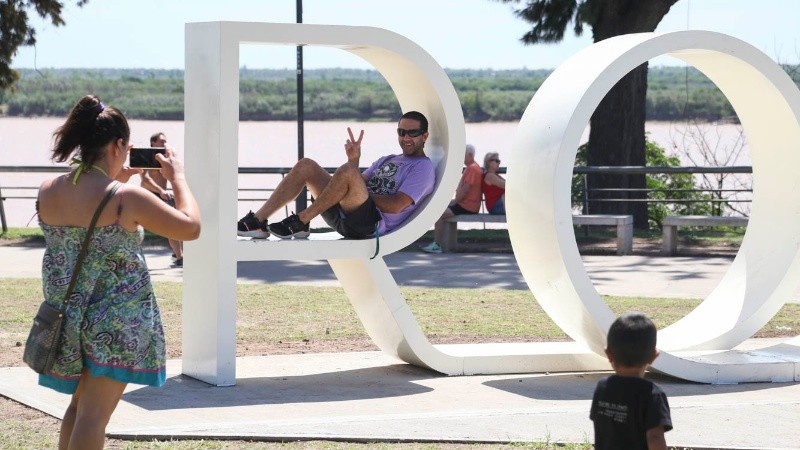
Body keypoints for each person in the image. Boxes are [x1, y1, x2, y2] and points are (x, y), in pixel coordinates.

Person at [35, 94, 201, 450]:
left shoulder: (48, 191)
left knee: (79, 408)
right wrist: (179, 178)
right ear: (118, 145)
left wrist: (114, 174)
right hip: (116, 325)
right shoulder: (127, 198)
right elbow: (190, 227)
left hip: (69, 320)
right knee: (94, 418)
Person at [237, 110, 435, 240]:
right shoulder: (387, 159)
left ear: (424, 136)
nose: (406, 138)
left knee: (347, 171)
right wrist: (354, 160)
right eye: (401, 132)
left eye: (412, 133)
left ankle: (301, 220)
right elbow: (357, 182)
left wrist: (354, 191)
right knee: (307, 165)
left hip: (368, 225)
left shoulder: (423, 168)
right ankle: (258, 221)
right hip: (344, 212)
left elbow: (396, 205)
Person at [590, 312, 673, 450]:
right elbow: (655, 437)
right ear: (654, 356)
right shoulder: (652, 394)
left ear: (608, 354)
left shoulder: (602, 388)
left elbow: (601, 427)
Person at [420, 144, 482, 253]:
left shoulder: (472, 169)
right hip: (467, 204)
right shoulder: (473, 167)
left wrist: (454, 202)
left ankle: (437, 245)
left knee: (437, 214)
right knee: (439, 211)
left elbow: (465, 190)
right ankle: (437, 244)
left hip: (467, 206)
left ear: (470, 155)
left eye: (463, 155)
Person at [140, 132, 184, 267]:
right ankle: (179, 256)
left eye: (165, 141)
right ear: (153, 143)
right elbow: (145, 179)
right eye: (161, 141)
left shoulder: (165, 158)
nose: (164, 144)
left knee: (175, 224)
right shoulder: (147, 156)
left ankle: (179, 255)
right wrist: (161, 190)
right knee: (169, 225)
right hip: (149, 195)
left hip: (163, 195)